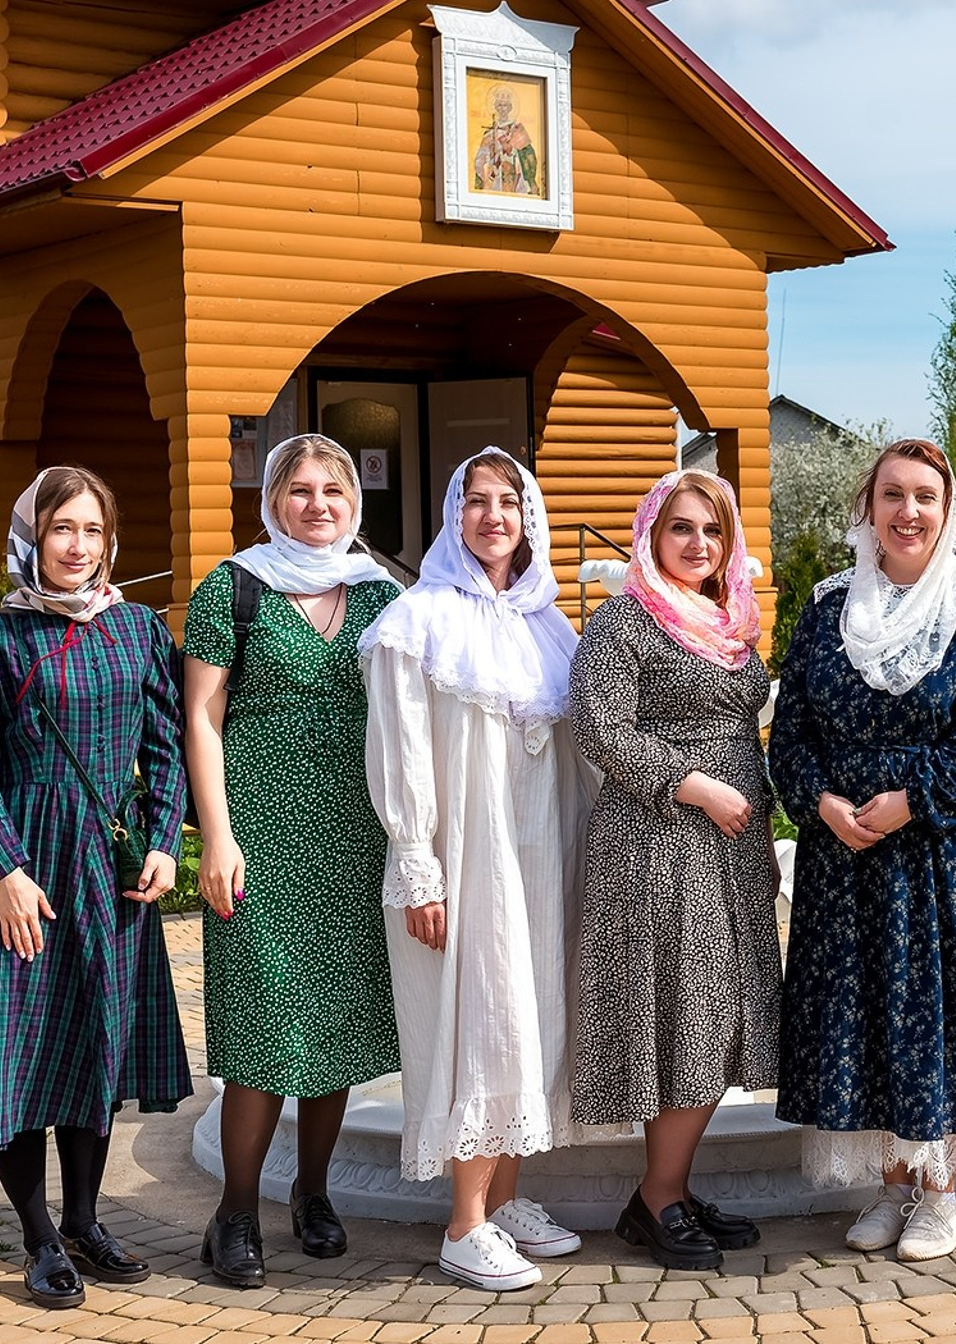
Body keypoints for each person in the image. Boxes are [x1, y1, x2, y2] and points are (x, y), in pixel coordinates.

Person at [0, 466, 188, 1311]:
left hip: (110, 870)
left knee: (95, 1043)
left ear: (109, 540)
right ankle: (39, 1236)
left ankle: (84, 1218)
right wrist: (4, 869)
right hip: (28, 865)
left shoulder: (139, 631)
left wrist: (161, 841)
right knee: (23, 1050)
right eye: (60, 531)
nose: (77, 547)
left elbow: (167, 748)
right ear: (32, 540)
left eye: (90, 530)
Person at [771, 438, 956, 1263]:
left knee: (939, 1010)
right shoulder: (826, 605)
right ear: (868, 508)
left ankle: (941, 1195)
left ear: (947, 511)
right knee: (866, 1013)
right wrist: (821, 803)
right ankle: (892, 1181)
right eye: (893, 496)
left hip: (936, 849)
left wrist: (911, 800)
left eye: (925, 496)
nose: (908, 511)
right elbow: (794, 727)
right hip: (845, 853)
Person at [362, 448, 591, 1291]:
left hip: (542, 850)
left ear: (529, 517)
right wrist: (418, 863)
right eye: (477, 501)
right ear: (453, 515)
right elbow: (401, 753)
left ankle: (504, 1204)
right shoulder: (415, 621)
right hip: (469, 855)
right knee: (485, 1022)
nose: (495, 516)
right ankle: (463, 1226)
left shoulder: (550, 623)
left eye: (511, 501)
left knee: (531, 1019)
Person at [183, 434, 403, 1286]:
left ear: (355, 503)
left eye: (333, 489)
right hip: (261, 839)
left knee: (334, 1028)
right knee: (263, 1029)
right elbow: (201, 718)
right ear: (272, 499)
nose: (318, 504)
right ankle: (236, 1212)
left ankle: (313, 1193)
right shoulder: (232, 588)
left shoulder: (385, 591)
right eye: (299, 489)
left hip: (356, 836)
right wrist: (218, 834)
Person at [569, 469, 783, 1271]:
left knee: (724, 1013)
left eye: (713, 531)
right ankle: (656, 1197)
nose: (698, 544)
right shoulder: (623, 621)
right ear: (652, 533)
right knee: (687, 1008)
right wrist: (693, 787)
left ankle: (671, 1189)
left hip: (732, 838)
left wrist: (755, 830)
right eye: (682, 528)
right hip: (660, 835)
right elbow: (599, 729)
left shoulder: (734, 625)